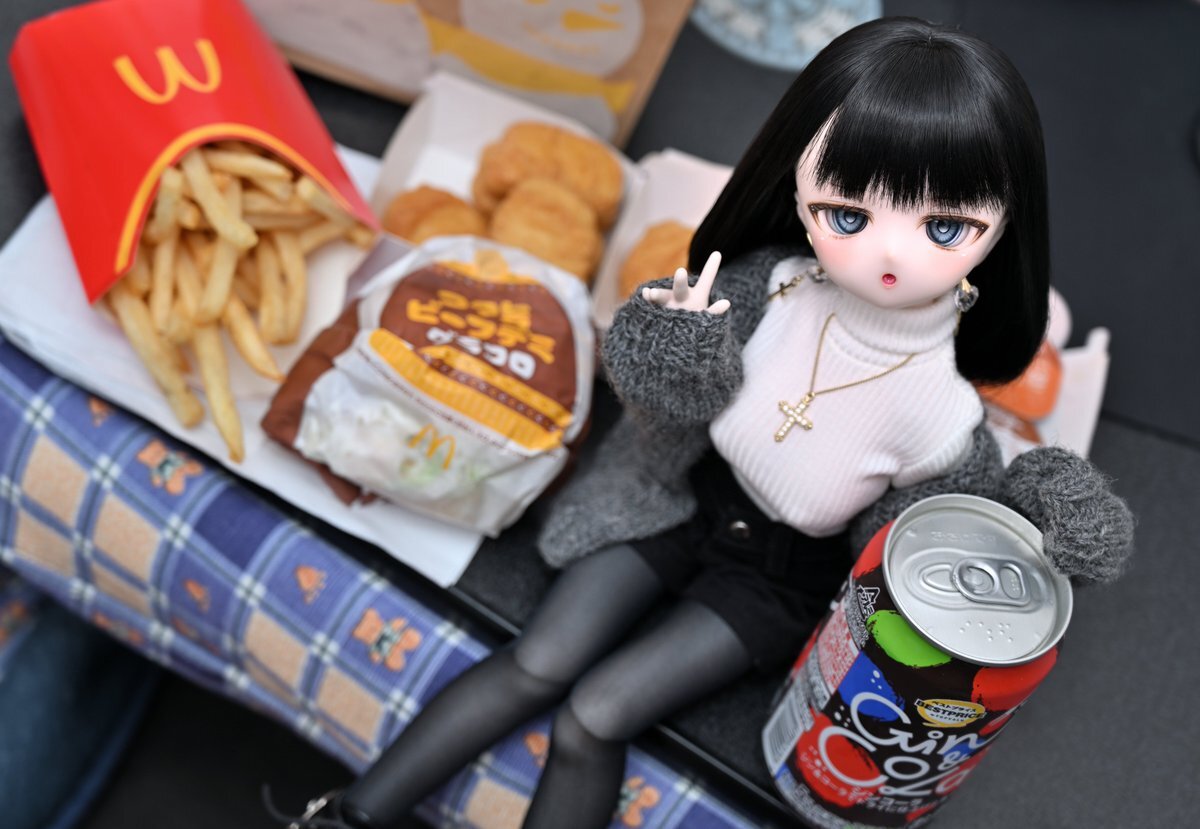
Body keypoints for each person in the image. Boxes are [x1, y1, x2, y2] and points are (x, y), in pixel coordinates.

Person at [280, 16, 1133, 829]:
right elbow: (653, 393)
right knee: (537, 661)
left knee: (594, 714)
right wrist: (668, 348)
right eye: (848, 214)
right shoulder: (771, 284)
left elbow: (944, 547)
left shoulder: (946, 412)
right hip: (677, 493)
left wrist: (1040, 513)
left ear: (1003, 228)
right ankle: (348, 812)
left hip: (779, 575)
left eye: (944, 227)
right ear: (798, 185)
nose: (889, 252)